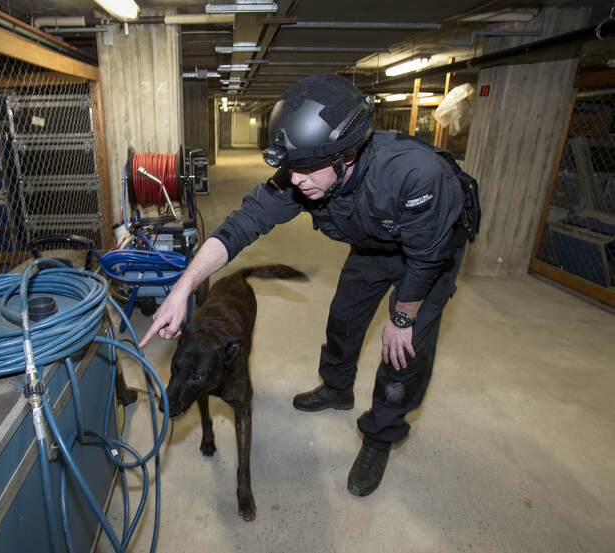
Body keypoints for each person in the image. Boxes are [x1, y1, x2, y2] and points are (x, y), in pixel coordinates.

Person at [139, 73, 479, 497]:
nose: (295, 180)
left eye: (304, 169)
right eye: (290, 168)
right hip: (375, 243)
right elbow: (239, 227)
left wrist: (401, 315)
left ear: (346, 155)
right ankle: (337, 388)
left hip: (430, 255)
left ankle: (379, 436)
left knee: (403, 354)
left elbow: (427, 257)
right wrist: (182, 288)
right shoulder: (305, 172)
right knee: (344, 318)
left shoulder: (416, 177)